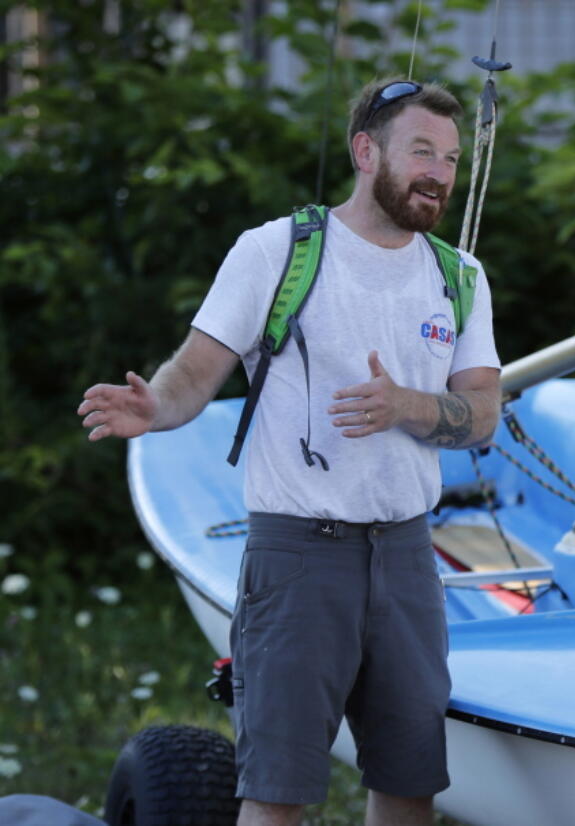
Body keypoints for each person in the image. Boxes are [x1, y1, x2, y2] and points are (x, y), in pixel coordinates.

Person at [78, 79, 501, 826]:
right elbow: (193, 375)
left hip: (408, 558)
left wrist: (407, 405)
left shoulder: (459, 278)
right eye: (422, 151)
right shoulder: (275, 251)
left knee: (411, 786)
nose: (440, 171)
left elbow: (482, 419)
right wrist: (158, 407)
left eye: (452, 157)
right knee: (277, 791)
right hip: (299, 554)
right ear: (365, 151)